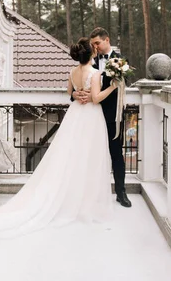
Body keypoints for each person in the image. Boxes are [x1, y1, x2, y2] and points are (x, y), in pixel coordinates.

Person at [0, 38, 117, 240]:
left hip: (76, 114)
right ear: (91, 54)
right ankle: (84, 204)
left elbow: (70, 92)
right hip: (91, 117)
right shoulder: (95, 73)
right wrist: (113, 86)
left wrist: (78, 93)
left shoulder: (73, 72)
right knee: (88, 158)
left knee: (70, 157)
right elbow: (96, 98)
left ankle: (74, 200)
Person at [73, 27, 132, 208]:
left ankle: (121, 193)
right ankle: (90, 193)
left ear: (107, 40)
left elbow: (121, 86)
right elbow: (78, 87)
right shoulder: (89, 60)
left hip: (111, 115)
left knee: (116, 153)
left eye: (97, 43)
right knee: (89, 154)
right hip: (90, 115)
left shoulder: (121, 61)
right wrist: (75, 95)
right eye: (92, 44)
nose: (95, 46)